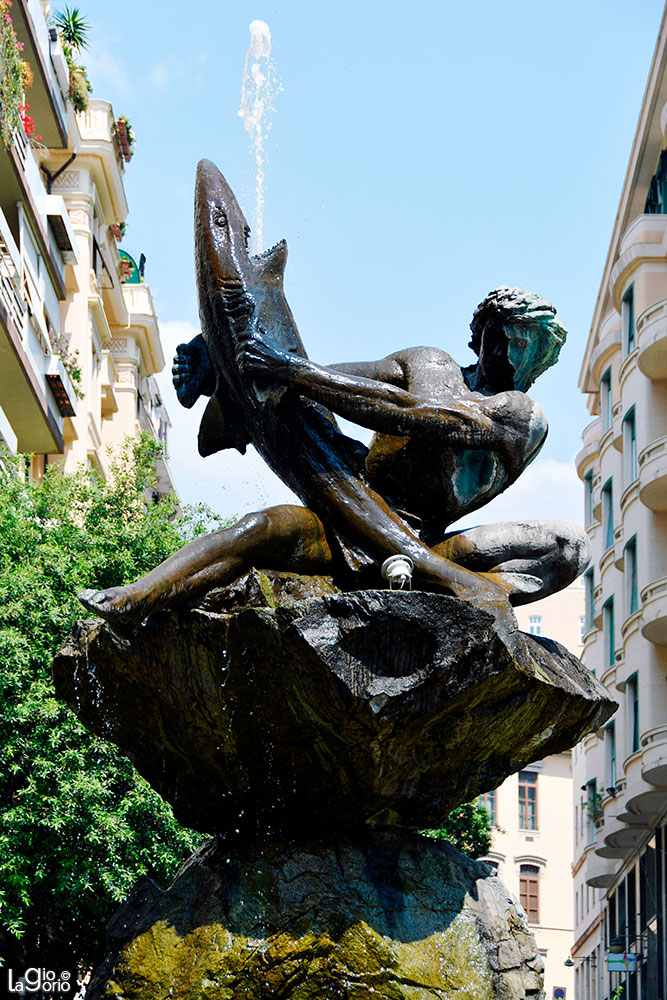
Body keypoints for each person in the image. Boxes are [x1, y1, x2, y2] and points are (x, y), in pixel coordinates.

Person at [79, 287, 589, 629]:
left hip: (426, 540)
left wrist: (288, 371)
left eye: (535, 348)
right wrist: (237, 371)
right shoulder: (427, 363)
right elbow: (336, 377)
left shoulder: (524, 416)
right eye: (512, 337)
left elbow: (415, 414)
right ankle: (138, 597)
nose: (520, 356)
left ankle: (444, 583)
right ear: (482, 334)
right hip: (350, 509)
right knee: (259, 529)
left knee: (569, 546)